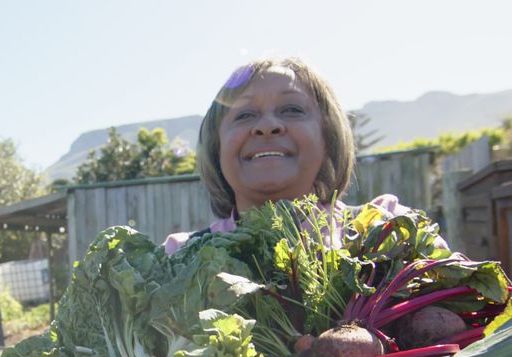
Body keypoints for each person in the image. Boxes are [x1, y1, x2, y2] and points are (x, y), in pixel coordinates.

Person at [165, 57, 419, 254]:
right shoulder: (178, 257)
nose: (267, 126)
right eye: (244, 114)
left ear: (328, 139)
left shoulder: (389, 229)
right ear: (216, 146)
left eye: (292, 109)